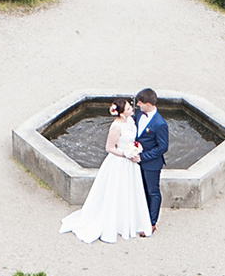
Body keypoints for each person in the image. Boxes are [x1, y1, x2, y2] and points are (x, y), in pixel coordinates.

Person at [57, 100, 153, 243]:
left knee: (129, 190)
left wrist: (135, 149)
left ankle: (126, 220)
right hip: (119, 163)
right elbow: (109, 148)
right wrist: (126, 154)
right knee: (115, 191)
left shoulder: (130, 121)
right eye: (127, 108)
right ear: (120, 112)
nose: (131, 109)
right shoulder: (116, 127)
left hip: (130, 164)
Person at [133, 89, 170, 232]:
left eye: (140, 103)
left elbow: (163, 147)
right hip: (137, 160)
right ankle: (141, 216)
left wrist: (143, 157)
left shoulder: (160, 124)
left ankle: (151, 222)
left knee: (152, 192)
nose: (138, 105)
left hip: (151, 164)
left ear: (148, 104)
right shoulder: (138, 115)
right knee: (140, 189)